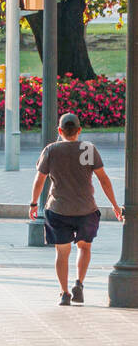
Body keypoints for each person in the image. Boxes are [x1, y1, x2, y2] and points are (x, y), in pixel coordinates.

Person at [29, 112, 124, 306]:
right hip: (86, 209)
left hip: (58, 210)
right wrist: (115, 205)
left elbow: (40, 180)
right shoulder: (88, 149)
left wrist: (33, 203)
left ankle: (64, 293)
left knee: (62, 252)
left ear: (59, 130)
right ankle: (79, 284)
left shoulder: (51, 150)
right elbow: (104, 180)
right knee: (84, 247)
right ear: (79, 130)